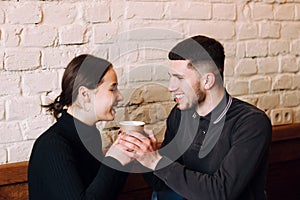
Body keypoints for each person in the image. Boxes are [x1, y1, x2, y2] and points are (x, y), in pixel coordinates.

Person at [119, 35, 272, 200]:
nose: (170, 87)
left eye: (179, 78)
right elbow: (162, 184)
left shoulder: (251, 123)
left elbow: (221, 192)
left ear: (207, 81)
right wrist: (143, 154)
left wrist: (156, 161)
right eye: (170, 77)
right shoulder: (179, 115)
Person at [28, 54, 132, 199]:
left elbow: (105, 194)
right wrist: (113, 159)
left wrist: (126, 153)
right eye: (112, 89)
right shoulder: (52, 145)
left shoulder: (90, 135)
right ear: (85, 94)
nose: (120, 96)